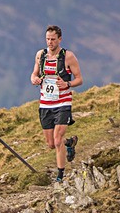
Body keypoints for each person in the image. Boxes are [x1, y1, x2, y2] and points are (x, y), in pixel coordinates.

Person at [31, 25, 83, 183]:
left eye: (53, 39)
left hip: (63, 103)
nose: (50, 42)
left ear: (60, 39)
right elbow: (34, 74)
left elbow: (80, 79)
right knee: (51, 144)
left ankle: (60, 175)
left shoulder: (68, 56)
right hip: (46, 104)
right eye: (47, 39)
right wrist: (34, 79)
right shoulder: (41, 55)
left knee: (57, 139)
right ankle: (70, 143)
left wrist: (67, 85)